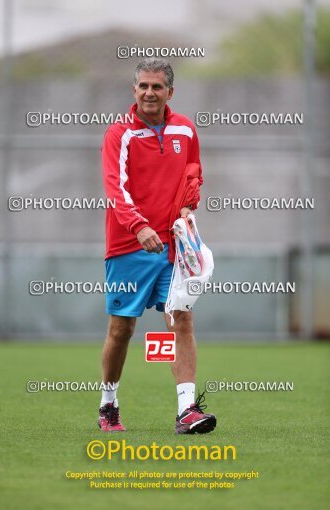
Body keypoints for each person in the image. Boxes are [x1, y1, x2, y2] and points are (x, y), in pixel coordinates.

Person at [99, 58, 216, 434]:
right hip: (128, 246)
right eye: (143, 86)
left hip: (172, 248)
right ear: (134, 91)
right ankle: (108, 404)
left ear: (170, 92)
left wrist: (187, 204)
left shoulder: (185, 129)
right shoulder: (119, 134)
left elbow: (192, 174)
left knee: (180, 319)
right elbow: (115, 188)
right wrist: (138, 227)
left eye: (157, 87)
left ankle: (187, 411)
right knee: (122, 329)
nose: (150, 93)